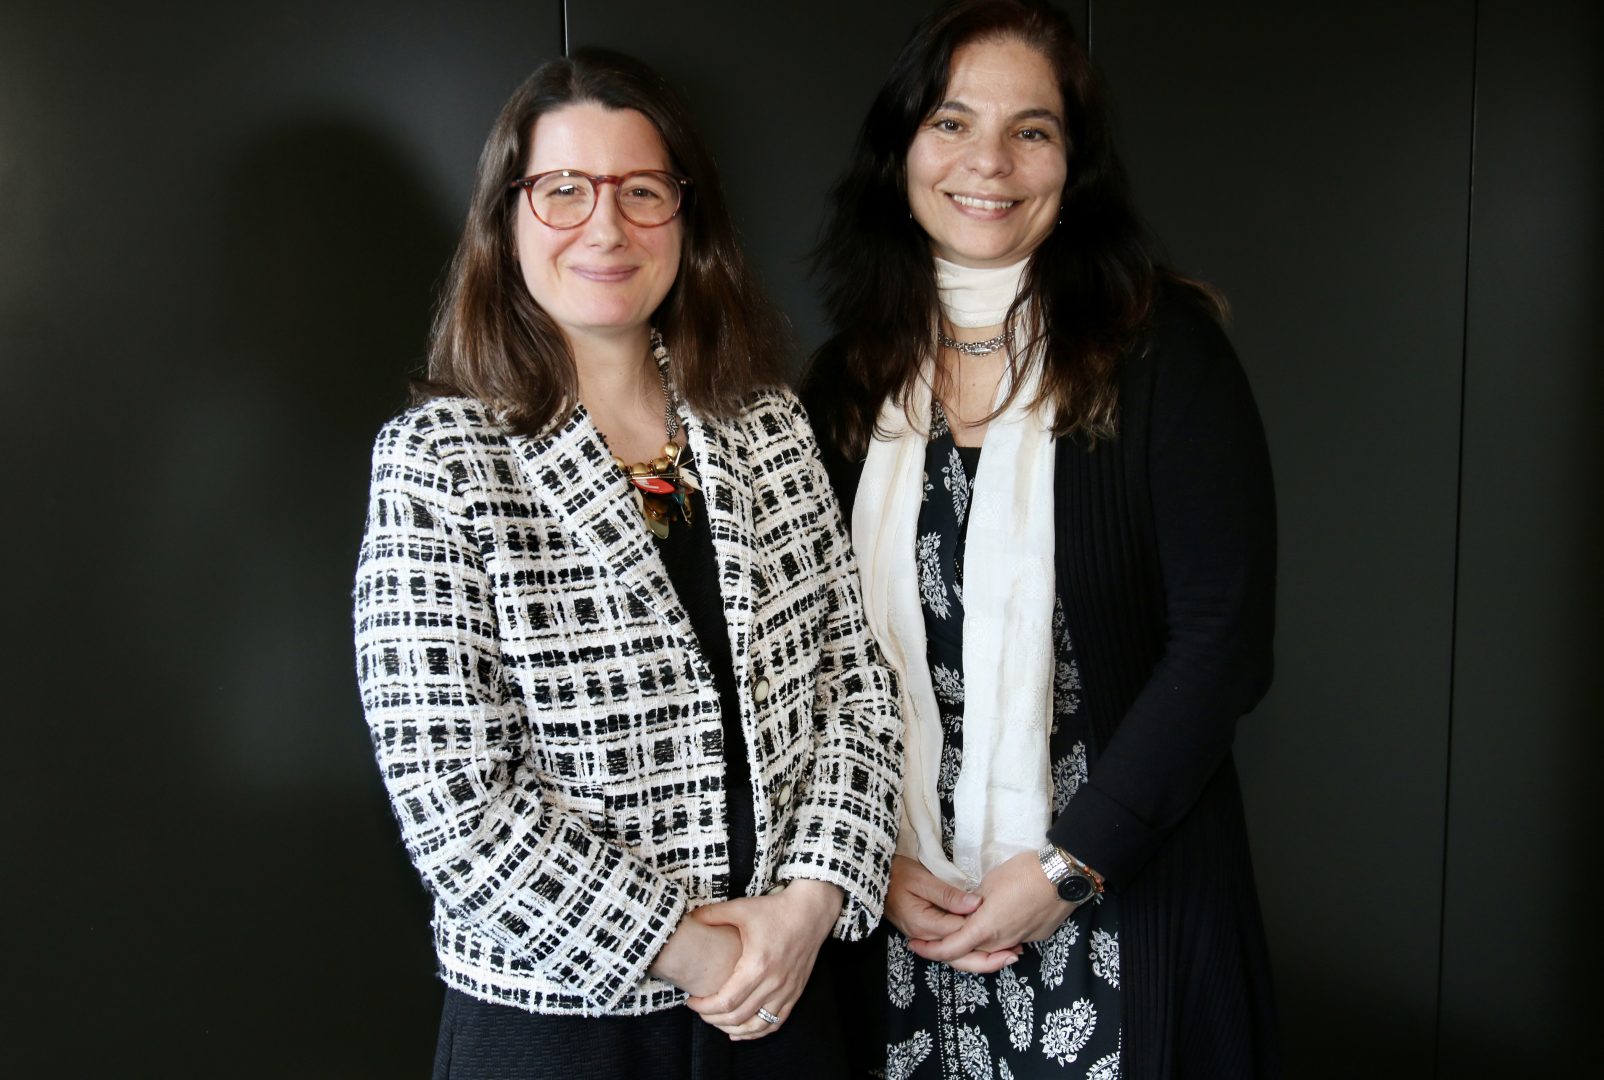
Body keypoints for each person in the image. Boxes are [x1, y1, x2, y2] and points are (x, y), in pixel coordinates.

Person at [353, 48, 903, 1080]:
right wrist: (695, 953)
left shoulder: (768, 424)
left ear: (686, 218)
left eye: (641, 190)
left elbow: (856, 688)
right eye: (564, 190)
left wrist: (807, 906)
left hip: (786, 996)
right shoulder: (441, 459)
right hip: (562, 1019)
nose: (606, 227)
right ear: (507, 219)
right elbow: (453, 800)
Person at [802, 2, 1279, 1077]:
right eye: (952, 122)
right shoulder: (846, 383)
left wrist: (1069, 869)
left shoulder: (1163, 357)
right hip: (905, 918)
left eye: (1033, 129)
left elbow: (1223, 649)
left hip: (1119, 901)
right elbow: (813, 660)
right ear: (901, 151)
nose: (990, 162)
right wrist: (868, 863)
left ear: (1076, 164)